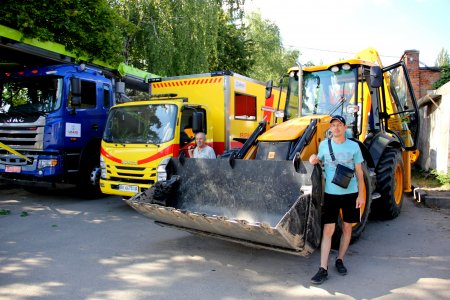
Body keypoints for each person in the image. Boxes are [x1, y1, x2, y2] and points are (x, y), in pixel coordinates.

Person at [309, 115, 365, 285]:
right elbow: (318, 159)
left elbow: (360, 173)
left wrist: (361, 195)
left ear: (345, 127)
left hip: (351, 193)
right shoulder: (324, 145)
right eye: (333, 125)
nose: (336, 128)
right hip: (331, 194)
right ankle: (323, 269)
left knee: (347, 227)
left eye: (339, 125)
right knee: (328, 230)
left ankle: (340, 259)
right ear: (330, 128)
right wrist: (313, 159)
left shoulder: (354, 146)